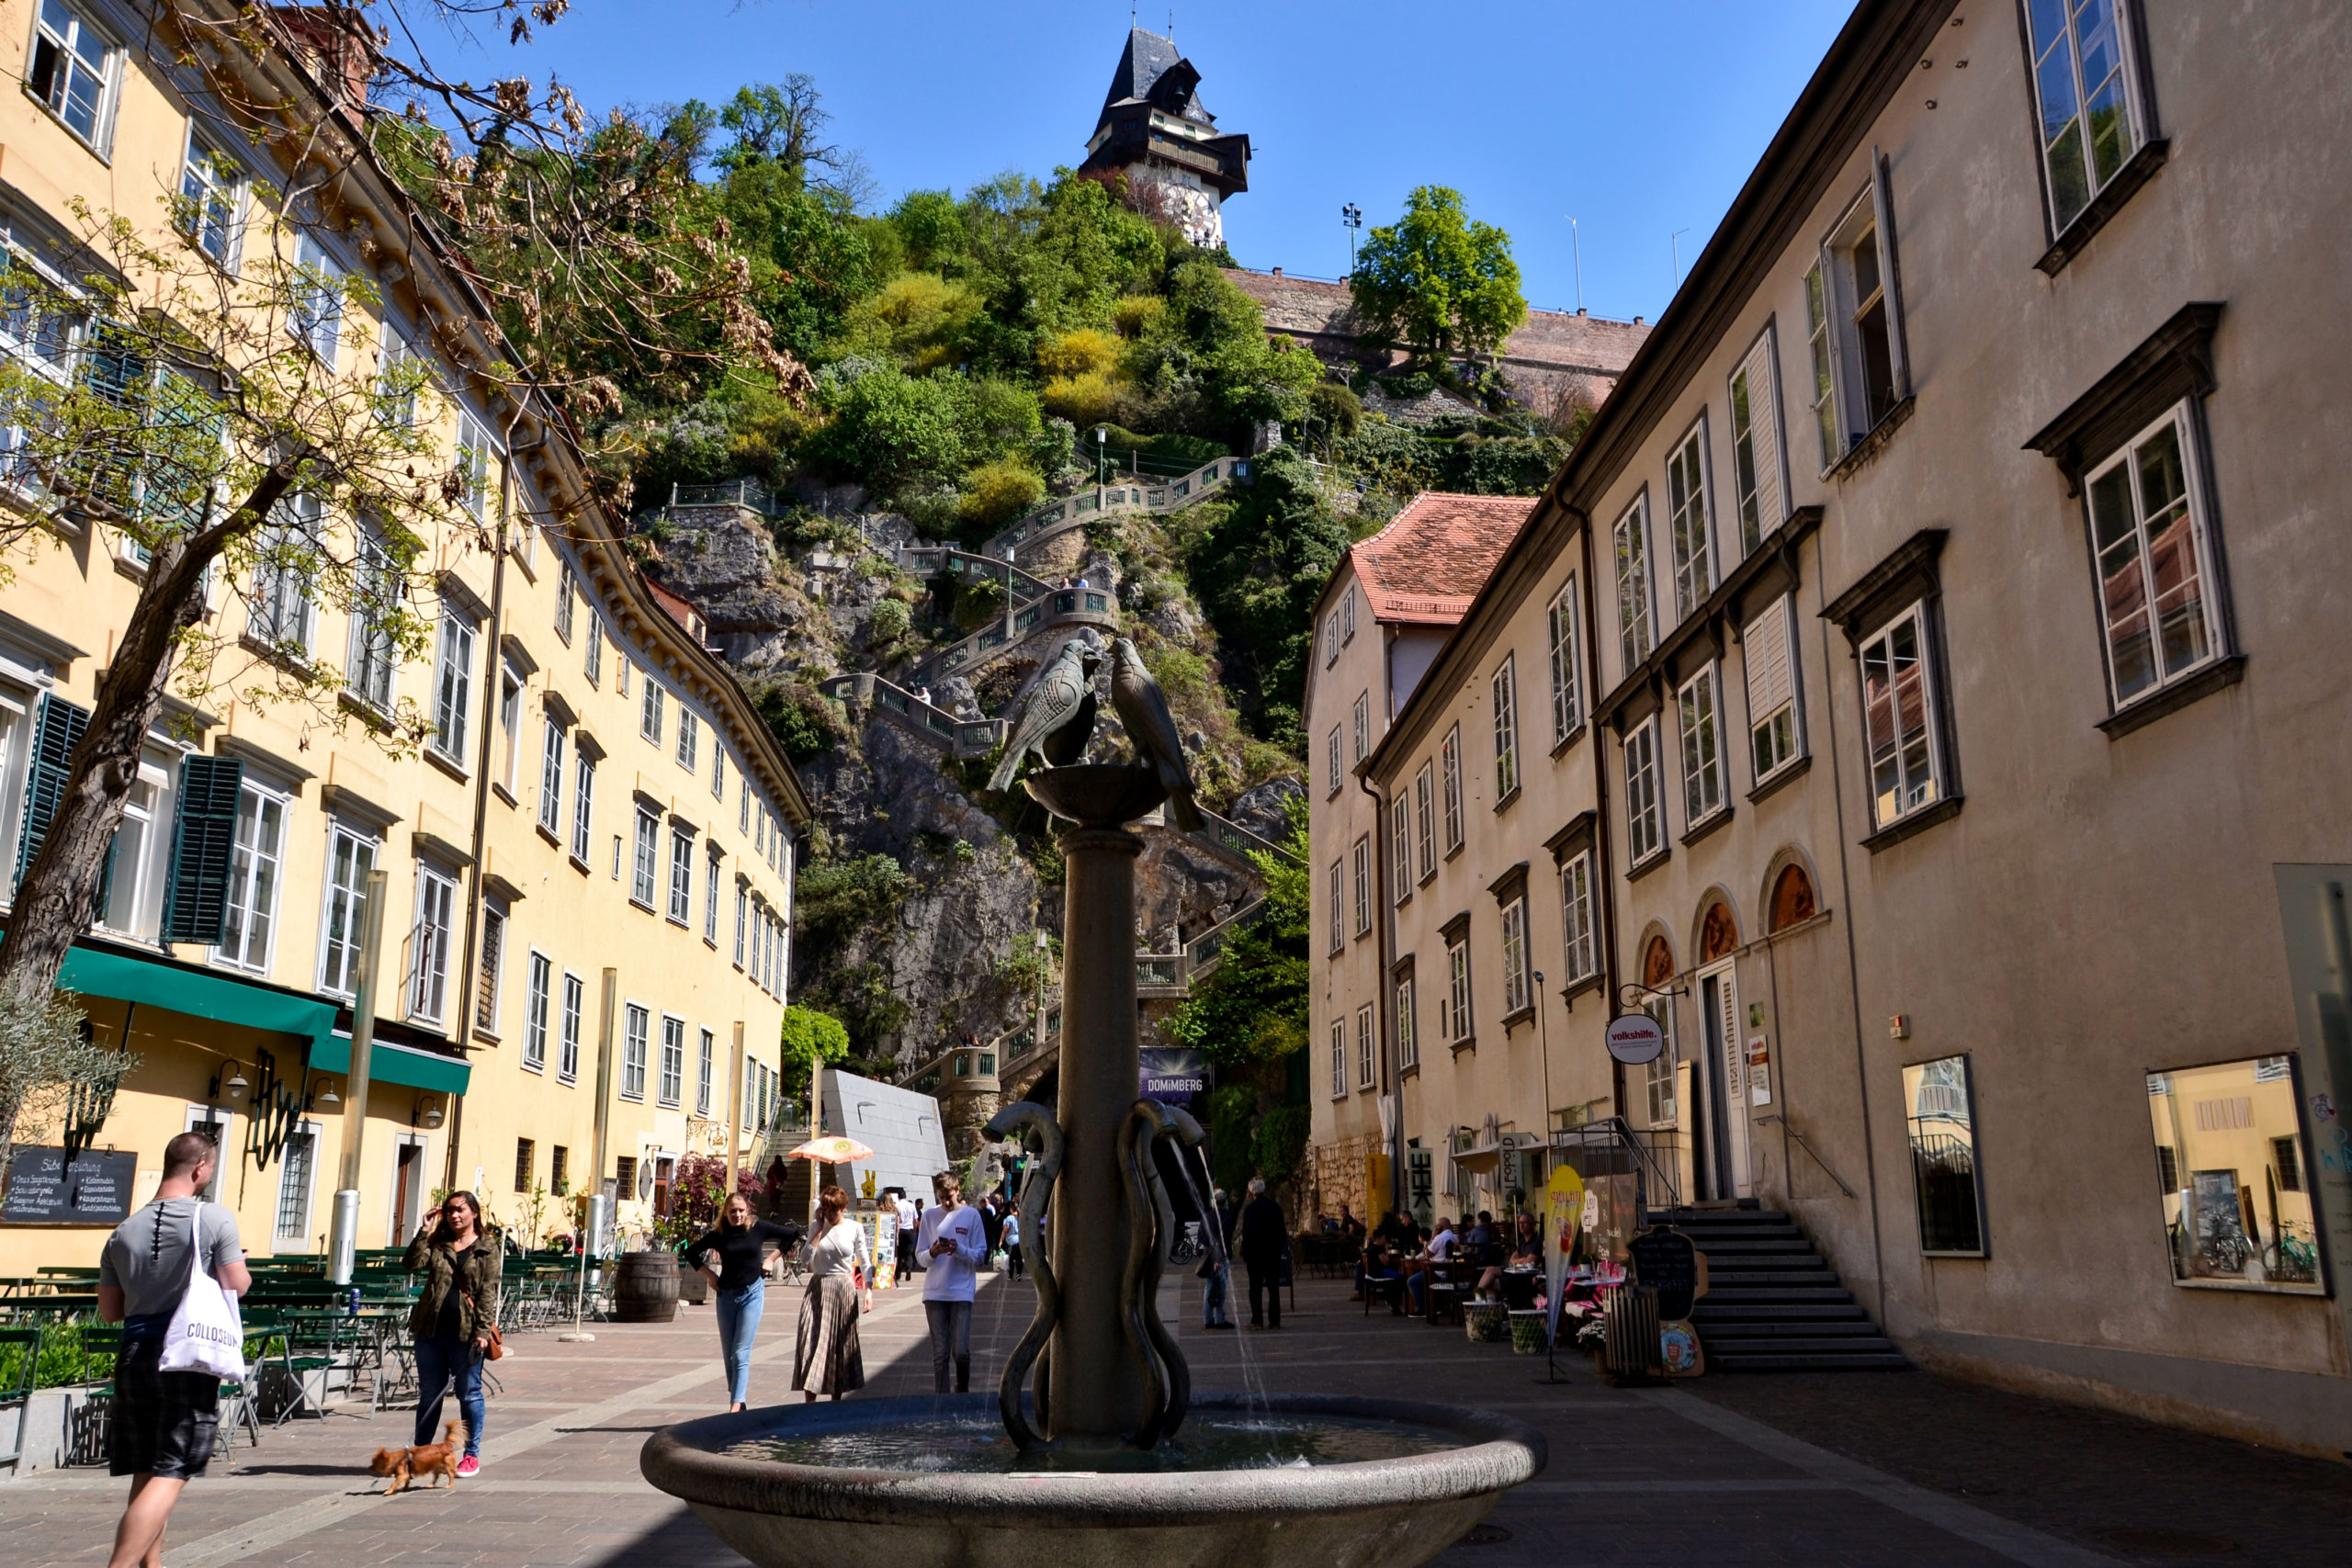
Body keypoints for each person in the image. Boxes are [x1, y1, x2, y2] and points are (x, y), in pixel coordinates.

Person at [96, 1131, 251, 1568]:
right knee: (174, 1470)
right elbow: (236, 1284)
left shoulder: (122, 1231)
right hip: (186, 1356)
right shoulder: (213, 1218)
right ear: (200, 1166)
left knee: (146, 1468)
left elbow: (110, 1311)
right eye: (212, 1166)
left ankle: (152, 1565)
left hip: (135, 1354)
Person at [403, 1191, 501, 1476]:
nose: (454, 1215)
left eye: (460, 1209)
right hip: (430, 1330)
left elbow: (488, 1292)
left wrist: (483, 1330)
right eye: (449, 1211)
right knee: (429, 1394)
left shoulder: (486, 1247)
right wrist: (424, 1231)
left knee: (469, 1394)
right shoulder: (438, 1243)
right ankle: (421, 1452)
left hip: (466, 1333)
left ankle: (470, 1455)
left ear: (474, 1213)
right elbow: (411, 1264)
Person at [688, 1194, 805, 1412]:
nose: (737, 1215)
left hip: (752, 1293)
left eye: (741, 1210)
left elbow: (792, 1235)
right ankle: (739, 1402)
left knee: (740, 1353)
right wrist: (709, 1275)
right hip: (726, 1297)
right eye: (733, 1210)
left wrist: (771, 1259)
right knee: (729, 1354)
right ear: (726, 1212)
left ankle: (734, 1406)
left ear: (747, 1210)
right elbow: (690, 1252)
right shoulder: (719, 1234)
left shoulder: (758, 1228)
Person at [793, 1185, 872, 1402]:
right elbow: (804, 1260)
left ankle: (835, 1401)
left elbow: (864, 1261)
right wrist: (818, 1230)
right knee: (810, 1340)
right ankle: (810, 1402)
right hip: (818, 1288)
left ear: (843, 1208)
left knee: (839, 1345)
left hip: (842, 1289)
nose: (830, 1214)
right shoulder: (816, 1227)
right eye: (826, 1209)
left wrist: (868, 1289)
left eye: (834, 1210)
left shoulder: (854, 1228)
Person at [915, 1170, 989, 1393]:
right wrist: (932, 1252)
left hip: (961, 1291)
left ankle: (962, 1389)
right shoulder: (929, 1216)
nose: (946, 1202)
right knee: (940, 1353)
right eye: (941, 1198)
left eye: (949, 1197)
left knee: (961, 1351)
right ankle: (942, 1400)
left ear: (958, 1190)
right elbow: (920, 1256)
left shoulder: (971, 1216)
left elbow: (980, 1255)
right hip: (935, 1292)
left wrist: (960, 1250)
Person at [1238, 1178, 1287, 1330]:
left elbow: (1247, 1233)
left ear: (1251, 1192)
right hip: (1272, 1254)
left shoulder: (1250, 1209)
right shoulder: (1274, 1206)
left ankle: (1257, 1320)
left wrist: (1245, 1252)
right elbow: (1281, 1230)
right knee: (1273, 1288)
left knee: (1255, 1288)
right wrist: (1279, 1249)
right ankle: (1275, 1320)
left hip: (1255, 1255)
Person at [1202, 1188, 1235, 1330]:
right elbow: (1225, 1240)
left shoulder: (1207, 1217)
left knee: (1209, 1287)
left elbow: (1203, 1237)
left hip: (1209, 1256)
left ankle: (1208, 1319)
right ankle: (1220, 1319)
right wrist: (1218, 1259)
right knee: (1220, 1287)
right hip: (1221, 1257)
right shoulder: (1227, 1218)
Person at [890, 1188, 919, 1286]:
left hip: (900, 1230)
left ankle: (898, 1272)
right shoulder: (911, 1206)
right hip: (909, 1230)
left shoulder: (897, 1206)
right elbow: (915, 1220)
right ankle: (909, 1268)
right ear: (906, 1196)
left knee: (899, 1252)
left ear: (898, 1197)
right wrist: (914, 1231)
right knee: (909, 1252)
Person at [1001, 1202, 1023, 1280]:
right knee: (1019, 1258)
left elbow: (1005, 1229)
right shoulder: (1021, 1217)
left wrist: (1001, 1240)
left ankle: (1010, 1275)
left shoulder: (1009, 1218)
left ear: (1011, 1209)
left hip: (1010, 1241)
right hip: (1020, 1240)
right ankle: (1018, 1274)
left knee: (1011, 1258)